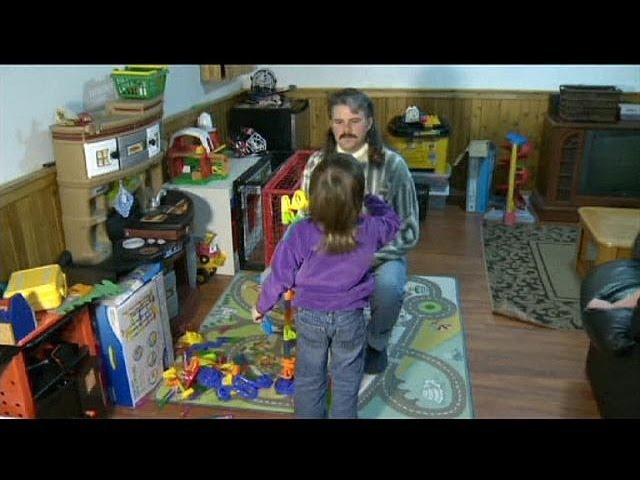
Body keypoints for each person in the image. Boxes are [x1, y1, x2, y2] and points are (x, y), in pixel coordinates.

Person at [252, 153, 401, 418]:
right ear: (356, 200)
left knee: (309, 377)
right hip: (349, 319)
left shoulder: (301, 232)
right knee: (346, 380)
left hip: (309, 317)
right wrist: (372, 200)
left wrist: (261, 307)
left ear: (313, 198)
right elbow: (393, 222)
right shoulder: (370, 229)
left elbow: (280, 276)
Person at [301, 88, 420, 375]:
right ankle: (314, 337)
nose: (346, 129)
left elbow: (409, 229)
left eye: (354, 120)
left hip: (379, 254)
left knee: (389, 285)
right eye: (339, 121)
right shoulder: (316, 163)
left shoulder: (393, 165)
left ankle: (376, 344)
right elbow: (304, 219)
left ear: (369, 123)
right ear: (331, 125)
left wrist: (367, 258)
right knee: (278, 278)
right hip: (328, 252)